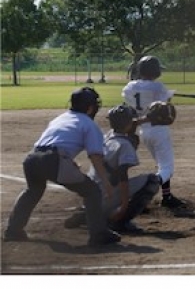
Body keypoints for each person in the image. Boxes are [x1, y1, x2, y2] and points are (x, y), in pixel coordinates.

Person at [3, 87, 121, 248]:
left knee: (33, 190)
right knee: (92, 191)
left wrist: (68, 162)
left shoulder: (60, 118)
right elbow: (95, 156)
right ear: (90, 108)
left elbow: (55, 142)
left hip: (31, 159)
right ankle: (98, 234)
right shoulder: (89, 124)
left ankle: (13, 231)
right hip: (53, 160)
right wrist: (106, 182)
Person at [64, 104, 161, 234]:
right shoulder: (124, 145)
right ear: (128, 123)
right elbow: (122, 176)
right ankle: (120, 222)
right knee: (152, 180)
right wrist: (124, 207)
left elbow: (127, 126)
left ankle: (89, 213)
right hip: (106, 195)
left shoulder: (106, 137)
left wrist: (144, 119)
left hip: (91, 195)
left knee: (109, 180)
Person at [122, 55, 187, 209]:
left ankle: (167, 196)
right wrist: (168, 95)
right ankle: (144, 189)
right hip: (159, 130)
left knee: (161, 165)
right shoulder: (158, 87)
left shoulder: (129, 87)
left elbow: (134, 104)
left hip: (144, 131)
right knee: (167, 168)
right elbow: (163, 109)